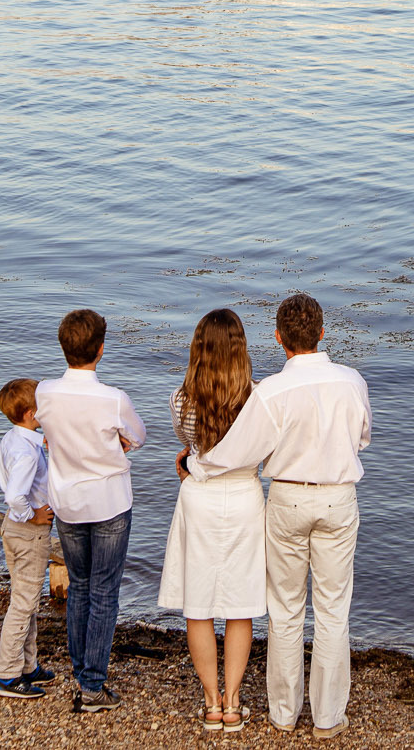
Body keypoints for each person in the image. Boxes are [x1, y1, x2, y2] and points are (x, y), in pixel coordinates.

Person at [189, 293, 371, 739]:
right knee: (332, 610)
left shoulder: (270, 391)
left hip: (287, 499)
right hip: (338, 497)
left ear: (278, 339)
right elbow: (362, 438)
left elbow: (238, 451)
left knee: (286, 610)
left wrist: (195, 464)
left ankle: (284, 712)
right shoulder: (352, 381)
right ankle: (327, 717)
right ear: (323, 332)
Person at [35, 308, 146, 713]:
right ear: (100, 349)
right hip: (110, 501)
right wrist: (114, 446)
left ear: (65, 347)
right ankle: (92, 686)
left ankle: (82, 669)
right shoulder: (113, 399)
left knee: (80, 586)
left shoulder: (44, 392)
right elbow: (138, 435)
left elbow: (50, 434)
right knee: (104, 591)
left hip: (67, 501)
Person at [158, 308, 265, 731]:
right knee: (241, 606)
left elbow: (189, 444)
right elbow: (261, 450)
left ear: (197, 348)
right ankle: (235, 701)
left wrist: (189, 463)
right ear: (241, 349)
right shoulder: (257, 398)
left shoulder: (181, 399)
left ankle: (211, 701)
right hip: (243, 497)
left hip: (198, 499)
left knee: (198, 605)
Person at [0, 377, 57, 699]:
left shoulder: (16, 440)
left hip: (13, 531)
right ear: (31, 413)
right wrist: (32, 514)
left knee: (25, 598)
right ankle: (7, 675)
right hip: (29, 532)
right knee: (24, 603)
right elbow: (15, 495)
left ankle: (28, 665)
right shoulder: (28, 453)